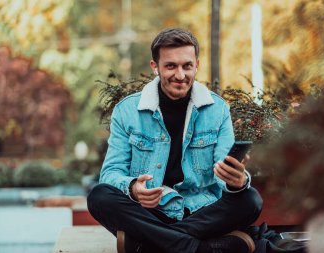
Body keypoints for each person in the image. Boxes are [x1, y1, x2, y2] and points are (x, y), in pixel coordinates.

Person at [88, 28, 262, 253]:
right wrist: (133, 188)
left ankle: (149, 245)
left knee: (251, 199)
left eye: (187, 66)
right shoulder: (127, 111)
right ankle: (198, 248)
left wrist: (235, 182)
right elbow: (111, 173)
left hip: (201, 211)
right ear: (155, 67)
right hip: (151, 211)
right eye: (171, 66)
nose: (180, 75)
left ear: (196, 65)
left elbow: (223, 173)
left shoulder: (218, 109)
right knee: (99, 196)